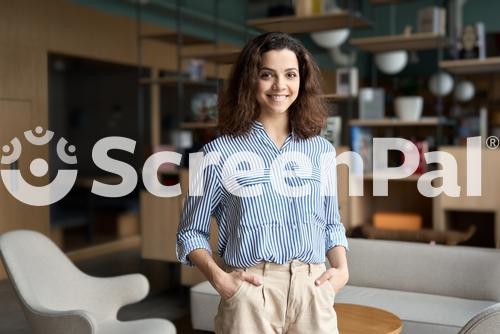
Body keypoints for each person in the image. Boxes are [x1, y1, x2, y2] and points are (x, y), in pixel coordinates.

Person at [176, 32, 348, 334]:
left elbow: (331, 224)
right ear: (249, 81)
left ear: (302, 81)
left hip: (313, 289)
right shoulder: (216, 153)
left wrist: (342, 270)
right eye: (267, 74)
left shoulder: (321, 150)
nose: (280, 86)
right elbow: (190, 232)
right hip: (250, 293)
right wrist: (221, 280)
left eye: (290, 75)